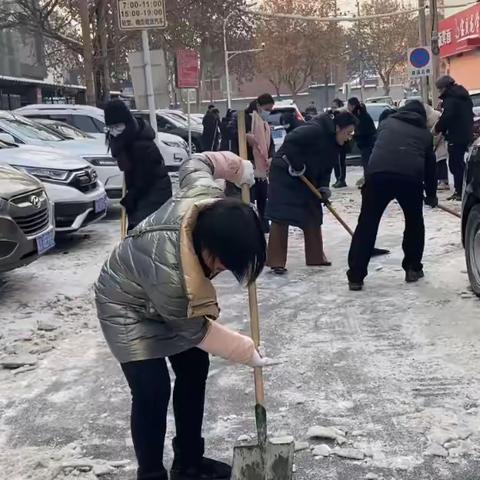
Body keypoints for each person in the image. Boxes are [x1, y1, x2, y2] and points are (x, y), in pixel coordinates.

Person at [95, 151, 268, 480]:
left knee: (194, 366)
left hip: (162, 291)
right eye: (220, 263)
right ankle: (150, 473)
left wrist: (238, 169)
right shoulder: (173, 272)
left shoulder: (206, 198)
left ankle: (189, 462)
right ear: (206, 245)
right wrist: (246, 351)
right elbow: (196, 331)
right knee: (152, 389)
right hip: (125, 303)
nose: (220, 271)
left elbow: (198, 162)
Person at [347, 100, 438, 291]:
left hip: (378, 176)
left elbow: (377, 148)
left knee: (367, 224)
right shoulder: (424, 135)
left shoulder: (386, 123)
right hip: (410, 179)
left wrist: (369, 175)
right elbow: (430, 168)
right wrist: (430, 195)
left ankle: (356, 275)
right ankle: (412, 268)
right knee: (414, 223)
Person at [266, 111, 357, 274]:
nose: (349, 137)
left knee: (313, 213)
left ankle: (315, 257)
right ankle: (276, 261)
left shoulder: (334, 145)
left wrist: (323, 187)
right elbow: (291, 140)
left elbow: (327, 168)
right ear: (338, 128)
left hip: (305, 176)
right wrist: (297, 164)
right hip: (284, 172)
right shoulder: (315, 130)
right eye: (348, 133)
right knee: (281, 216)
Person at [105, 99, 172, 231]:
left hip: (156, 192)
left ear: (127, 122)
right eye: (111, 127)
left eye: (118, 126)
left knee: (140, 231)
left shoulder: (142, 145)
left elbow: (146, 177)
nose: (114, 131)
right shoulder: (125, 141)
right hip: (143, 192)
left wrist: (132, 197)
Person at [228, 93, 275, 232]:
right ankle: (252, 227)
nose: (268, 112)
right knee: (249, 200)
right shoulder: (244, 118)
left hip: (262, 170)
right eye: (267, 109)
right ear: (259, 106)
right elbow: (230, 133)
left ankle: (265, 227)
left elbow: (269, 144)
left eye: (271, 110)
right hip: (248, 167)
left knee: (263, 199)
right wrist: (244, 136)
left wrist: (271, 156)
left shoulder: (264, 123)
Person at [435, 75, 474, 201]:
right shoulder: (463, 96)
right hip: (465, 133)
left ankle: (460, 190)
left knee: (455, 164)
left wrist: (438, 127)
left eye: (440, 89)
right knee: (459, 163)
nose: (440, 92)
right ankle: (461, 189)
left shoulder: (450, 99)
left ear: (445, 88)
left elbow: (447, 117)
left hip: (455, 135)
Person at [347, 97, 377, 186]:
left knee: (367, 162)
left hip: (368, 142)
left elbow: (362, 130)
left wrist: (353, 136)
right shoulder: (359, 113)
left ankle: (369, 182)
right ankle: (368, 181)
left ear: (353, 106)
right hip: (367, 142)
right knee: (366, 163)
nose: (348, 108)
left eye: (348, 105)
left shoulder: (360, 115)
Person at [425, 103, 449, 191]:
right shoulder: (432, 117)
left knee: (441, 160)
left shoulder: (435, 117)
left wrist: (434, 142)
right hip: (437, 140)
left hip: (440, 140)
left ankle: (443, 180)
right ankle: (441, 180)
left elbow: (437, 132)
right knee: (438, 160)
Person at [330, 98, 349, 189]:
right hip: (334, 141)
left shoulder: (343, 116)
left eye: (335, 107)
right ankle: (338, 178)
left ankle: (342, 179)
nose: (333, 109)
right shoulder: (332, 116)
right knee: (335, 161)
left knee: (341, 161)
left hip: (342, 142)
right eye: (332, 107)